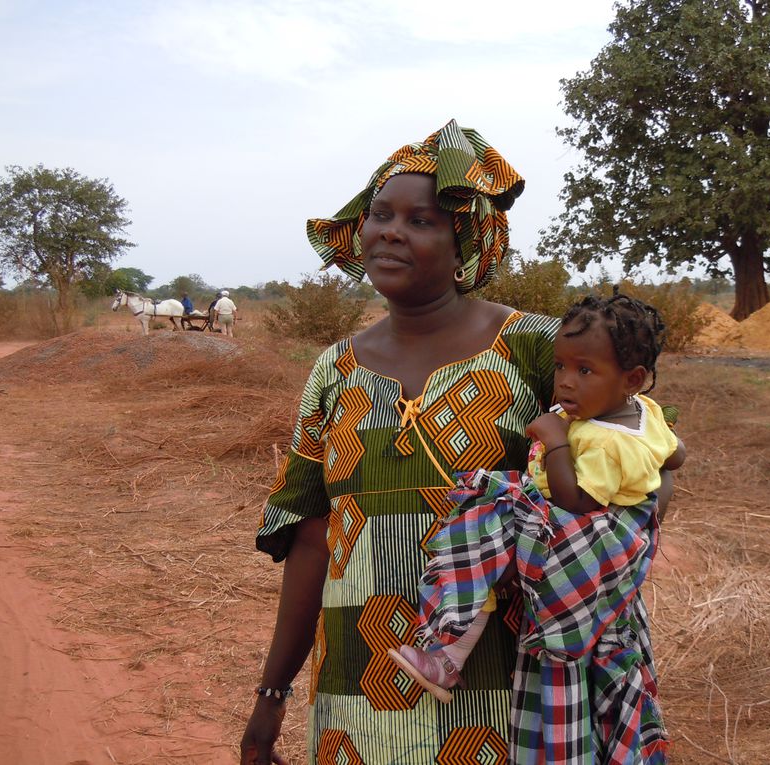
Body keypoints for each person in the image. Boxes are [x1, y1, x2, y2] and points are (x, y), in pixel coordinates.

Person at [239, 120, 678, 765]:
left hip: (502, 682)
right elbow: (310, 539)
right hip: (356, 687)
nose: (390, 230)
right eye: (380, 214)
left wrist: (642, 515)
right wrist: (271, 696)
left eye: (421, 220)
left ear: (464, 239)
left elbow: (640, 451)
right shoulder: (332, 371)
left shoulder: (535, 347)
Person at [389, 292, 685, 762]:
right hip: (603, 532)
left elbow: (576, 499)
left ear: (632, 379)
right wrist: (655, 487)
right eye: (561, 367)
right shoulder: (645, 415)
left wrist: (556, 441)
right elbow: (676, 455)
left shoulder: (602, 441)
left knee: (479, 526)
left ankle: (450, 654)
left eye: (584, 371)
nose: (566, 383)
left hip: (580, 539)